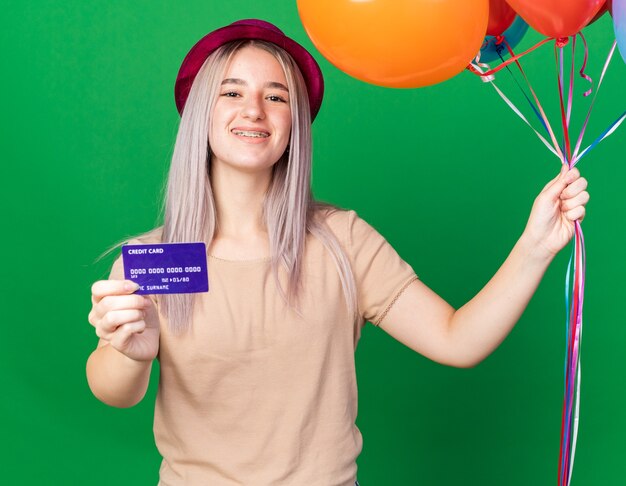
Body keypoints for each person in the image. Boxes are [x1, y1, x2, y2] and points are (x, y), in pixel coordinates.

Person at [86, 19, 589, 486]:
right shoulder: (153, 257)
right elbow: (115, 391)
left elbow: (457, 341)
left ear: (295, 124)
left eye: (277, 96)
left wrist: (537, 245)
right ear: (202, 112)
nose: (254, 110)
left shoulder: (341, 240)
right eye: (232, 91)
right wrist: (130, 354)